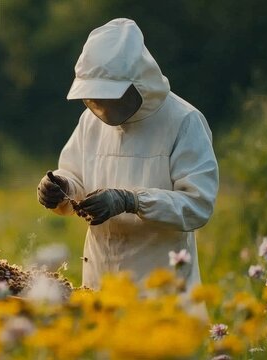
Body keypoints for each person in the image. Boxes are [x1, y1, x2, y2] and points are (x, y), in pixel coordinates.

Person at [37, 18, 219, 309]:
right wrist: (60, 186)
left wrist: (132, 200)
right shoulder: (89, 123)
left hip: (160, 292)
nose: (104, 107)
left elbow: (198, 204)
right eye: (97, 97)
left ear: (138, 83)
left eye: (112, 96)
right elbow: (74, 175)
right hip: (99, 282)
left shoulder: (184, 121)